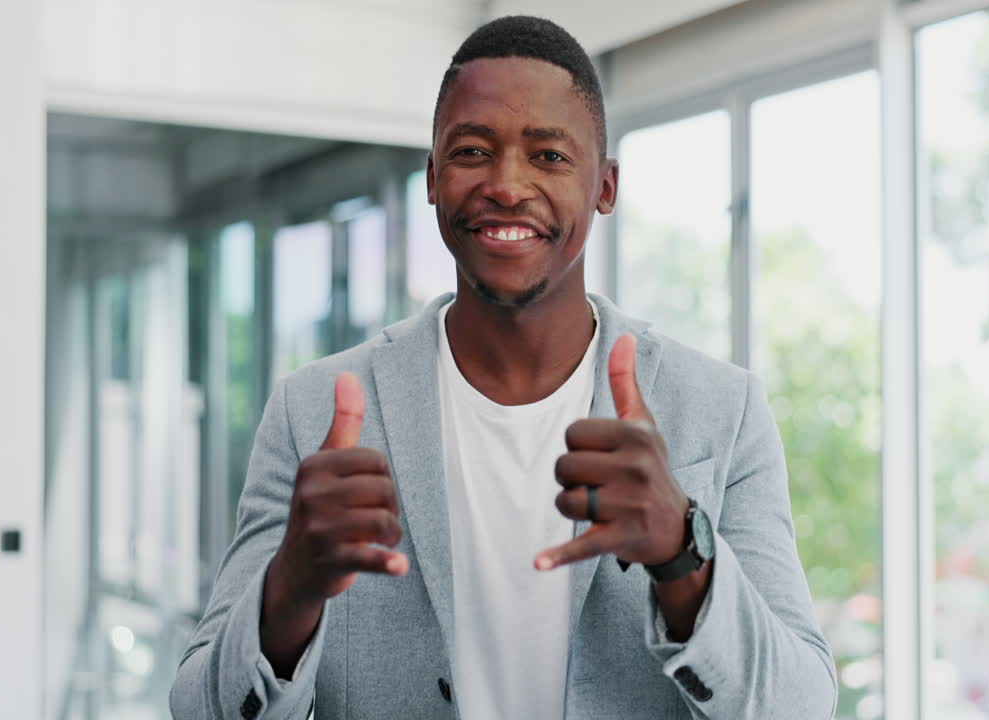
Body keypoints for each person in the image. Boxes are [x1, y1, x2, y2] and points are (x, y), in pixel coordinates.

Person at [170, 15, 836, 720]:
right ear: (431, 178)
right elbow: (199, 709)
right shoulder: (314, 412)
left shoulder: (721, 409)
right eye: (471, 152)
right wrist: (291, 589)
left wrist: (682, 552)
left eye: (548, 156)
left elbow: (801, 705)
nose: (507, 184)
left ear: (605, 187)